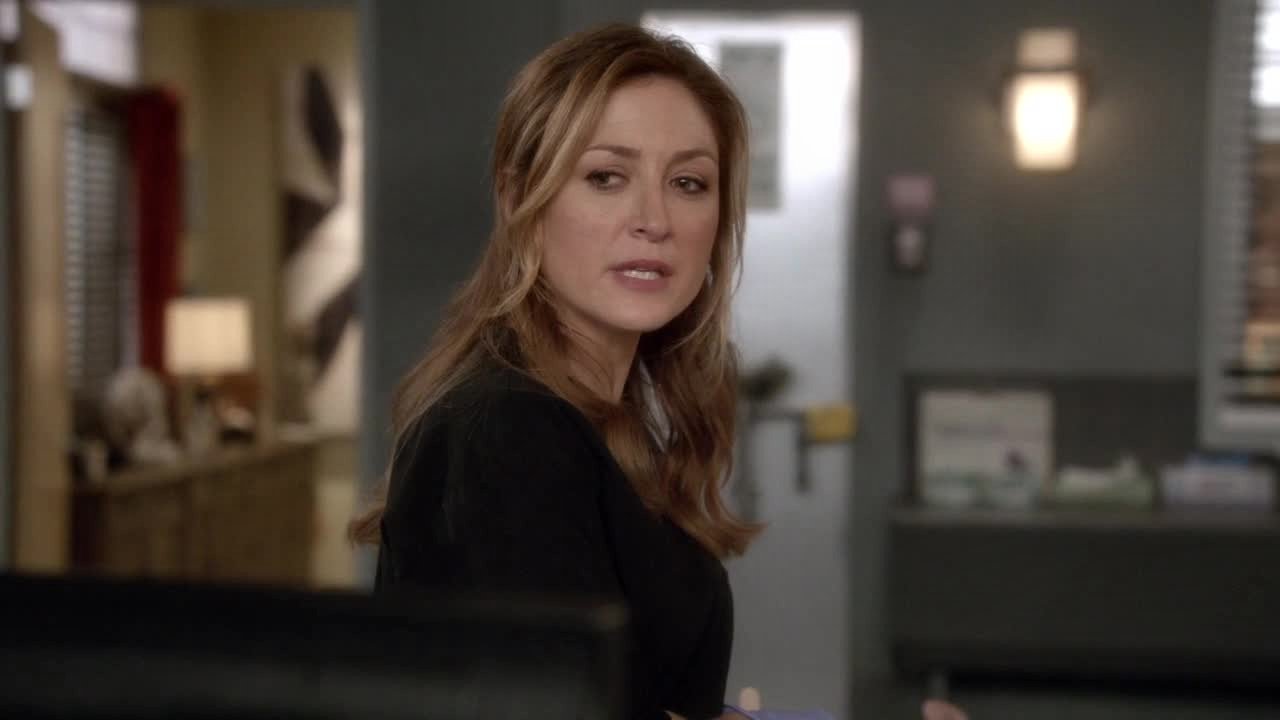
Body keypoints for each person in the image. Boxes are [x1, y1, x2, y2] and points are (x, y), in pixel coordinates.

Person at [350, 22, 969, 720]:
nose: (655, 219)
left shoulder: (605, 427)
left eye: (688, 183)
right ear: (520, 197)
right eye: (606, 177)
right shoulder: (502, 431)